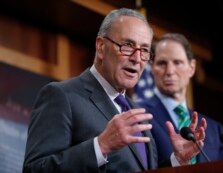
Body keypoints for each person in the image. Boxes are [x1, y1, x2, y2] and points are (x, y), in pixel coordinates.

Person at [23, 9, 207, 173]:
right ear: (101, 47)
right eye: (127, 46)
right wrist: (100, 146)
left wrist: (177, 160)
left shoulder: (137, 113)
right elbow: (35, 169)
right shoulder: (61, 96)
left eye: (144, 50)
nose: (137, 58)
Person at [138, 33, 223, 166]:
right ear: (152, 68)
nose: (170, 71)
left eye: (177, 62)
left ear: (192, 68)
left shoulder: (214, 130)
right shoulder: (138, 114)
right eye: (162, 63)